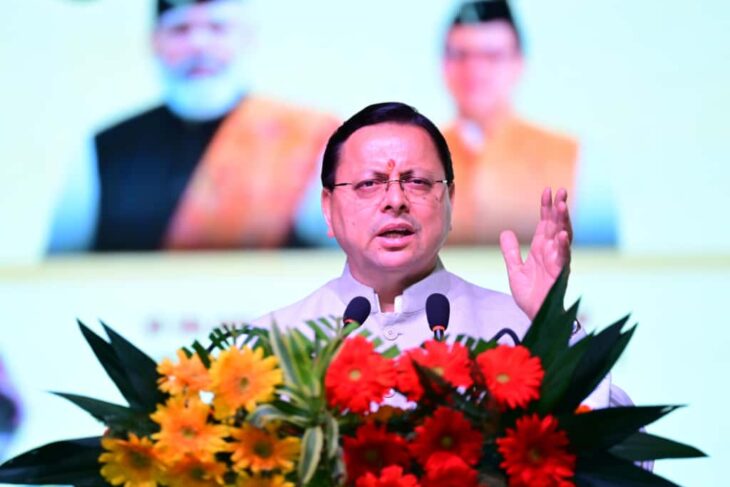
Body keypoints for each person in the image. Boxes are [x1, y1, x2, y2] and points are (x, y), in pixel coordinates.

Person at [254, 102, 616, 408]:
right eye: (369, 183)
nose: (395, 200)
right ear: (328, 207)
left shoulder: (517, 330)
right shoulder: (270, 345)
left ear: (449, 201)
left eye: (417, 182)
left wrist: (552, 323)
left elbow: (621, 454)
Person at [48, 0, 337, 252]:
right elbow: (59, 274)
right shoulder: (106, 147)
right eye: (180, 29)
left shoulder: (308, 139)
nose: (199, 45)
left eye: (217, 28)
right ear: (154, 42)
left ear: (247, 39)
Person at [441, 0, 616, 245]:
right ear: (443, 64)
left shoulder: (570, 156)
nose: (475, 69)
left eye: (491, 56)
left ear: (518, 63)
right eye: (461, 55)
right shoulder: (421, 153)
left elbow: (604, 259)